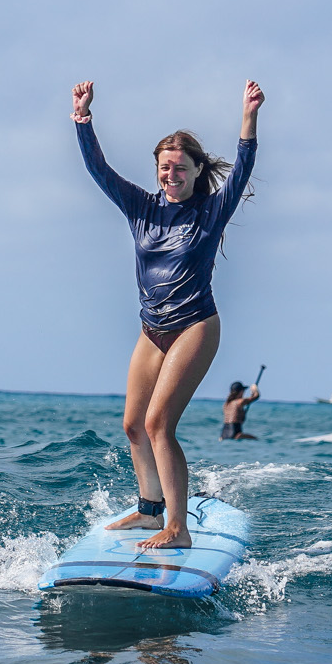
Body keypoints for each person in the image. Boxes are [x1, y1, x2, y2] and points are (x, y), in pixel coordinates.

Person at [74, 78, 263, 550]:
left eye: (179, 167)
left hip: (195, 326)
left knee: (160, 423)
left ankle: (177, 529)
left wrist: (248, 117)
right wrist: (82, 120)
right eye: (164, 167)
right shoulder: (141, 207)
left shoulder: (211, 210)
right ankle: (149, 509)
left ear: (198, 170)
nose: (170, 175)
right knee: (133, 424)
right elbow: (100, 170)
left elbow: (242, 167)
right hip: (151, 329)